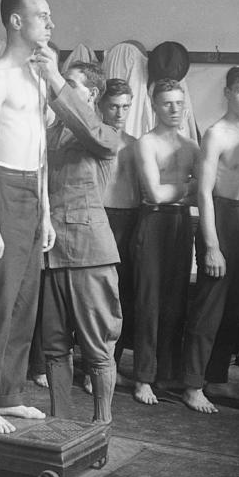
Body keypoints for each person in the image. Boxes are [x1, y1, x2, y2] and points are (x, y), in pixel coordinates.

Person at [0, 0, 55, 434]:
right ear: (16, 20)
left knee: (25, 301)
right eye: (42, 15)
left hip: (32, 192)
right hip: (1, 186)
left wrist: (47, 210)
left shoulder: (37, 76)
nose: (50, 23)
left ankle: (10, 394)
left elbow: (41, 150)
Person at [41, 61, 122, 423]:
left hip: (91, 254)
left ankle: (102, 425)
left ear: (91, 94)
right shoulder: (48, 133)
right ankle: (60, 423)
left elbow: (86, 127)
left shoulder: (104, 133)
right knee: (54, 347)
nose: (58, 88)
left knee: (98, 349)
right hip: (51, 253)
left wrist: (54, 82)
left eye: (69, 84)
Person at [183, 66, 239, 413]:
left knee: (233, 307)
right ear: (228, 93)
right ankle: (192, 384)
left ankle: (214, 377)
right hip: (218, 217)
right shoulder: (215, 134)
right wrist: (211, 245)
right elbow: (202, 192)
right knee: (210, 307)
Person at [132, 79, 200, 405]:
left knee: (175, 299)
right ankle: (143, 377)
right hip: (153, 222)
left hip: (180, 223)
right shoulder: (146, 143)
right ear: (155, 106)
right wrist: (186, 189)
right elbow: (154, 194)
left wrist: (180, 191)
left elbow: (206, 187)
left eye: (178, 102)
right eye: (166, 103)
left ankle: (165, 374)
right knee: (149, 300)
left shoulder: (191, 147)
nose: (174, 109)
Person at [99, 79, 140, 388]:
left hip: (130, 220)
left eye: (125, 106)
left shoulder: (136, 144)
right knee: (95, 294)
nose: (120, 113)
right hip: (101, 218)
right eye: (114, 106)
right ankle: (91, 365)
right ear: (102, 106)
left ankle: (111, 361)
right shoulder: (93, 140)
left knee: (121, 294)